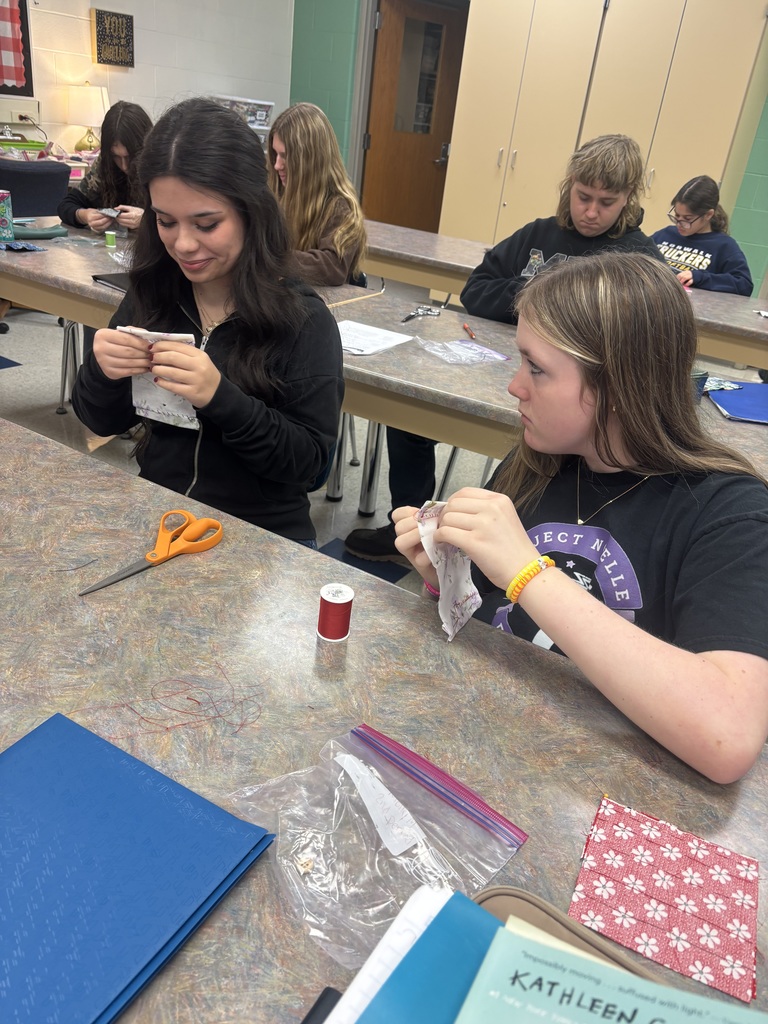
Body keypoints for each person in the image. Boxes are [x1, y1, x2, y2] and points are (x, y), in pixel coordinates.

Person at [392, 251, 768, 784]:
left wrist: (529, 574)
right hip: (497, 748)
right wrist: (447, 579)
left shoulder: (730, 515)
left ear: (617, 385)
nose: (514, 386)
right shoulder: (540, 461)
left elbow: (726, 736)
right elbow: (498, 620)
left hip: (605, 787)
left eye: (537, 369)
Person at [345, 134, 664, 563]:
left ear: (629, 198)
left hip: (568, 399)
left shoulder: (639, 260)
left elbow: (642, 349)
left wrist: (546, 309)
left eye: (606, 202)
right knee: (408, 414)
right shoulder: (539, 234)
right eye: (583, 196)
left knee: (537, 459)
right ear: (568, 185)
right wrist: (538, 295)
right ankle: (415, 528)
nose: (590, 212)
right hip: (499, 369)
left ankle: (528, 551)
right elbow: (477, 290)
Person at [71, 97, 344, 546]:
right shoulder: (151, 294)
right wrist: (102, 372)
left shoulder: (303, 318)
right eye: (165, 221)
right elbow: (99, 421)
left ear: (250, 212)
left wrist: (220, 399)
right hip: (164, 519)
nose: (183, 245)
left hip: (262, 538)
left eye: (206, 224)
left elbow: (310, 467)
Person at [267, 102, 367, 287]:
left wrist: (269, 257)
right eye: (275, 154)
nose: (277, 165)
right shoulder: (276, 194)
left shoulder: (340, 207)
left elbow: (331, 267)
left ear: (309, 159)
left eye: (285, 156)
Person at [58, 100, 153, 234]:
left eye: (129, 157)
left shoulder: (161, 167)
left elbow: (183, 217)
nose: (124, 166)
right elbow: (66, 205)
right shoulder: (105, 164)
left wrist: (147, 220)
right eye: (116, 157)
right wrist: (85, 215)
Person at [652, 175, 753, 296]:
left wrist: (700, 277)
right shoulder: (665, 235)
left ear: (708, 215)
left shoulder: (724, 246)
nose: (679, 223)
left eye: (687, 219)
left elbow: (744, 285)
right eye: (677, 215)